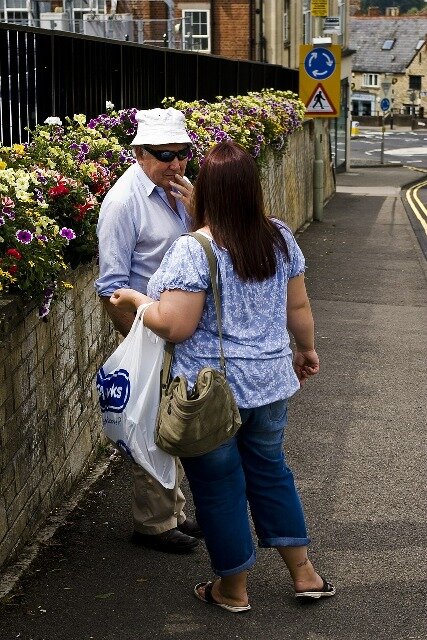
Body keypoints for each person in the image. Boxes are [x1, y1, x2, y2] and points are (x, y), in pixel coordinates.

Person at [110, 140, 335, 610]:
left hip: (211, 394)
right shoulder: (277, 236)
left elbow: (176, 324)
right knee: (271, 473)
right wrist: (307, 348)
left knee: (221, 489)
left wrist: (136, 301)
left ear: (205, 191)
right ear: (253, 190)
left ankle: (232, 590)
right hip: (272, 386)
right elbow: (298, 304)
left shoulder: (193, 250)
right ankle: (305, 574)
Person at [95, 107, 203, 553]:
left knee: (172, 422)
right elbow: (110, 287)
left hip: (179, 325)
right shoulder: (124, 203)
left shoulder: (178, 189)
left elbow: (199, 245)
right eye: (164, 154)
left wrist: (197, 209)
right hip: (148, 328)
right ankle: (153, 524)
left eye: (183, 154)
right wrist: (139, 343)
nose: (176, 164)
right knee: (150, 426)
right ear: (138, 152)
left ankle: (173, 509)